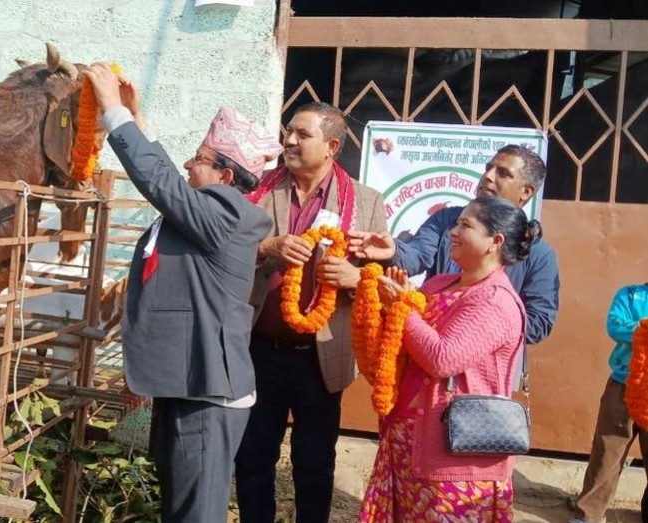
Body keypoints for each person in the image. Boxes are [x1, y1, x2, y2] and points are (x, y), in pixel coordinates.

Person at [82, 63, 280, 522]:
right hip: (190, 385)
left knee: (197, 514)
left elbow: (162, 183)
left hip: (207, 395)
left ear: (226, 177)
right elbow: (171, 182)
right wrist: (138, 117)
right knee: (182, 508)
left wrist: (113, 110)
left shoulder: (225, 216)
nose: (190, 163)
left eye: (200, 157)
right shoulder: (212, 211)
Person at [235, 101, 388, 523]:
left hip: (321, 356)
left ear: (332, 147)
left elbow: (383, 278)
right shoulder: (259, 191)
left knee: (315, 463)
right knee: (252, 457)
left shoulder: (366, 202)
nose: (289, 140)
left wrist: (355, 277)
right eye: (289, 131)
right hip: (259, 349)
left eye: (302, 134)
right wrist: (266, 247)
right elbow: (225, 246)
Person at [359, 195, 536, 522]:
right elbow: (405, 337)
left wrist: (402, 309)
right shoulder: (441, 284)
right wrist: (386, 302)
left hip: (456, 459)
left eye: (465, 225)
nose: (453, 232)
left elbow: (442, 358)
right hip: (408, 439)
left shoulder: (495, 302)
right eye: (456, 223)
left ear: (495, 242)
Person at [348, 144, 560, 345]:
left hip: (481, 366)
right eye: (488, 168)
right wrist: (394, 250)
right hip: (425, 352)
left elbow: (538, 324)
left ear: (526, 191)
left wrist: (469, 320)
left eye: (503, 174)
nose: (488, 176)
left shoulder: (539, 255)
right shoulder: (447, 220)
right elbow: (417, 255)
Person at [570, 282, 648, 523]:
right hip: (622, 384)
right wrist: (642, 329)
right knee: (607, 451)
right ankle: (589, 514)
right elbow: (614, 326)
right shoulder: (631, 295)